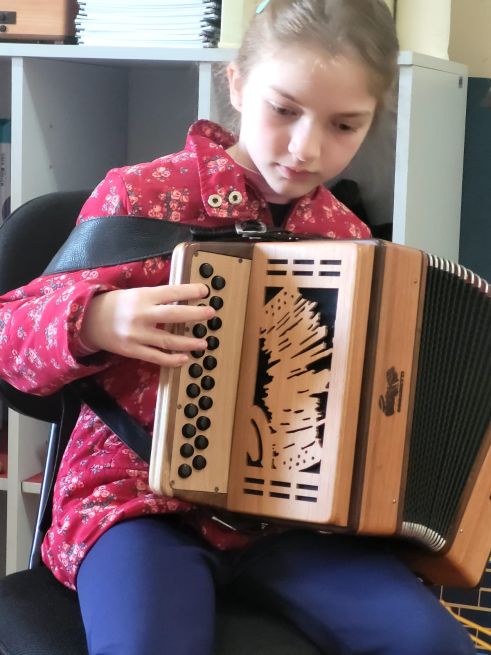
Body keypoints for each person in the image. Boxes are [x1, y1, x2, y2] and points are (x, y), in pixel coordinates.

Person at [0, 1, 475, 654]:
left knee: (430, 643)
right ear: (238, 84)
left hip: (293, 518)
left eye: (344, 125)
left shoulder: (348, 239)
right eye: (284, 110)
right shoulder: (141, 198)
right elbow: (10, 338)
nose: (306, 148)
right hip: (134, 502)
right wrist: (95, 320)